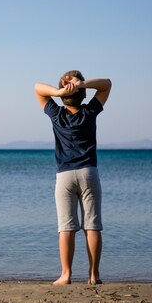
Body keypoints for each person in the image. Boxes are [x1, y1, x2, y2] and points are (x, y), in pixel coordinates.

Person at [34, 71, 112, 285]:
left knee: (66, 227)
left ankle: (66, 275)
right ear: (83, 95)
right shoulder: (89, 112)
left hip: (65, 175)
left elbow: (37, 87)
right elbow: (107, 84)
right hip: (89, 172)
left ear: (61, 97)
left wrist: (60, 90)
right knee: (92, 225)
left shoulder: (56, 114)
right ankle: (94, 275)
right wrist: (82, 84)